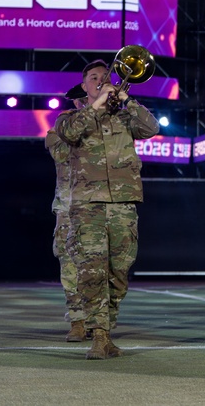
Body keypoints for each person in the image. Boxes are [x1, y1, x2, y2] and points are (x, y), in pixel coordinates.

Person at [56, 59, 159, 359]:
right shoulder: (71, 118)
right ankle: (98, 336)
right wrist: (98, 104)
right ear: (84, 85)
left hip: (124, 205)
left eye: (105, 76)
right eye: (94, 77)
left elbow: (151, 128)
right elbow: (70, 134)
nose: (101, 80)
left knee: (119, 272)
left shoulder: (125, 119)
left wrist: (127, 98)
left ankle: (107, 329)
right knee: (91, 271)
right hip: (88, 206)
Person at [44, 84, 88, 342]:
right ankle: (77, 319)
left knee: (100, 266)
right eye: (82, 101)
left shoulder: (110, 125)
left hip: (99, 204)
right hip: (69, 206)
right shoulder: (60, 126)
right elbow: (65, 155)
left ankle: (99, 319)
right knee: (69, 264)